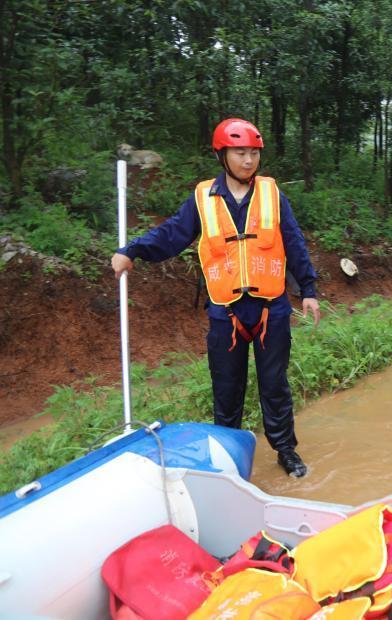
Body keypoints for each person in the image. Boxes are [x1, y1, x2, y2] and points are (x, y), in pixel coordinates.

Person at [110, 118, 321, 478]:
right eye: (240, 153)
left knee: (275, 387)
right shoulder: (203, 198)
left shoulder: (272, 195)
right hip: (227, 313)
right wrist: (133, 250)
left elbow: (294, 242)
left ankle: (285, 450)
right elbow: (172, 234)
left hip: (271, 309)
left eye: (253, 153)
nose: (248, 160)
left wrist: (309, 290)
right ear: (222, 156)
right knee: (226, 390)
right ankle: (228, 457)